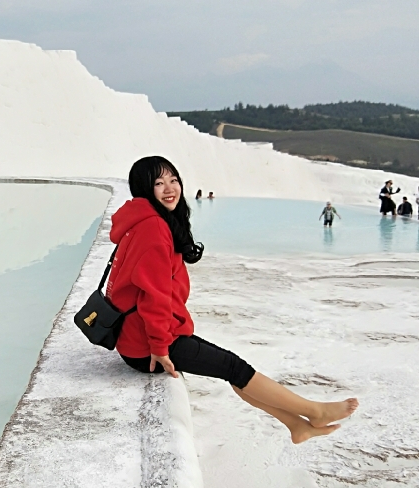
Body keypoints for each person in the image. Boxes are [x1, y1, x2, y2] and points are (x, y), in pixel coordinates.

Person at [106, 156, 359, 444]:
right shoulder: (153, 228)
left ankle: (297, 425)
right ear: (143, 189)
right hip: (147, 346)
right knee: (235, 369)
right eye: (158, 183)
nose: (169, 188)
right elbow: (154, 294)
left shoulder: (148, 220)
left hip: (144, 335)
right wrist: (160, 348)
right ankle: (314, 411)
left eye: (173, 180)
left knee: (234, 370)